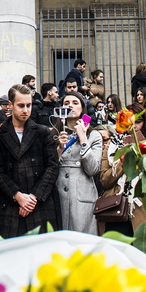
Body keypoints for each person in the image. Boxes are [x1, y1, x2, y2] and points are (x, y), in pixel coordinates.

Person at [0, 85, 60, 238]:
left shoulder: (44, 133)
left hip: (40, 203)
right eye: (21, 105)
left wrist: (33, 198)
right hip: (10, 204)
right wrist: (18, 196)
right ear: (10, 105)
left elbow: (52, 167)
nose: (26, 110)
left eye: (29, 105)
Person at [54, 91, 103, 234]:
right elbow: (48, 167)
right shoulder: (53, 133)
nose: (70, 106)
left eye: (75, 103)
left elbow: (93, 169)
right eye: (66, 103)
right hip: (58, 194)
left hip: (82, 197)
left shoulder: (94, 136)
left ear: (83, 108)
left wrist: (83, 138)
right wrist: (59, 149)